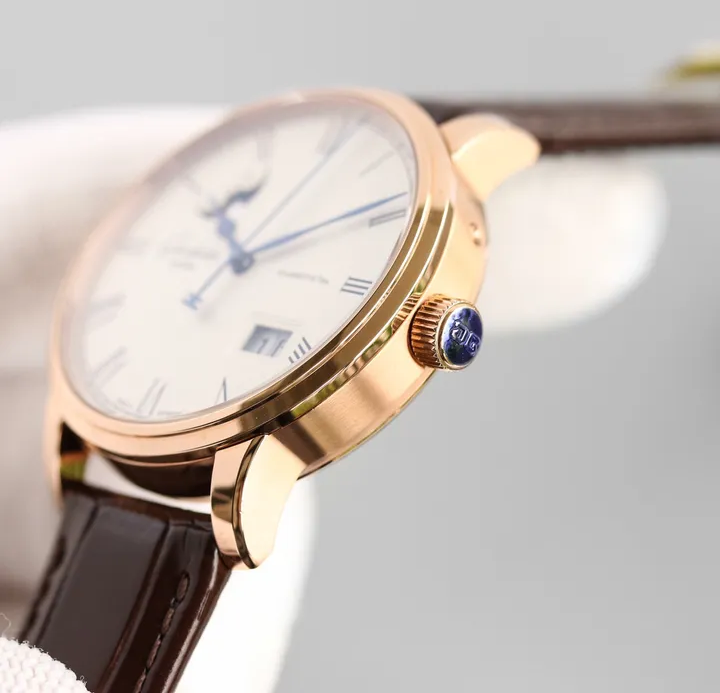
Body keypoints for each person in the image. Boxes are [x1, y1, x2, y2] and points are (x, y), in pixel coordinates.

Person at [0, 107, 665, 691]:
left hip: (226, 441)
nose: (241, 256)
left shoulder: (442, 177)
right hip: (104, 407)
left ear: (436, 329)